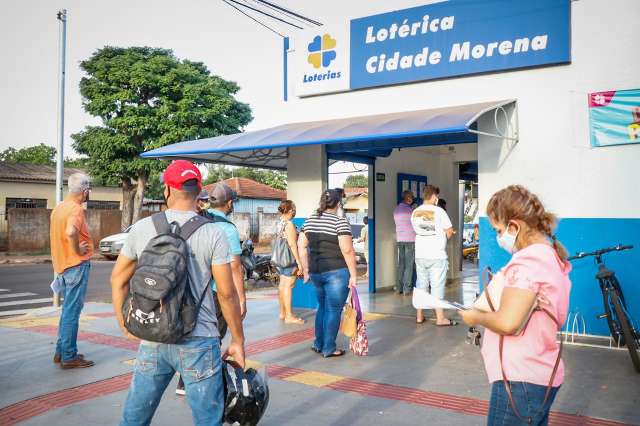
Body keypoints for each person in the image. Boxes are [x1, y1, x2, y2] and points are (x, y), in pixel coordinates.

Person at [111, 160, 245, 426]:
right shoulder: (214, 233)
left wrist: (124, 321)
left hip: (153, 336)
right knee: (208, 420)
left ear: (167, 191)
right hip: (200, 339)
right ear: (199, 194)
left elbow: (118, 279)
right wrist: (238, 339)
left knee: (134, 418)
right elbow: (227, 294)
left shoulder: (142, 228)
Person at [460, 185, 571, 425]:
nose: (499, 237)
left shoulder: (529, 262)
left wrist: (475, 317)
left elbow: (509, 323)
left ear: (514, 226)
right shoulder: (549, 255)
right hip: (539, 374)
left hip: (521, 380)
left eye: (498, 230)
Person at [175, 182, 247, 396]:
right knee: (213, 337)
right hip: (216, 293)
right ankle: (194, 383)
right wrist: (241, 298)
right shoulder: (227, 228)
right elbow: (235, 266)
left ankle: (184, 380)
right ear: (230, 203)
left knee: (193, 333)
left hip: (192, 290)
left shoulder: (197, 221)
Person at [298, 189, 357, 358]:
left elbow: (301, 246)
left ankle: (318, 343)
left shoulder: (310, 221)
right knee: (333, 310)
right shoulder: (340, 222)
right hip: (337, 273)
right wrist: (353, 275)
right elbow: (347, 250)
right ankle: (329, 348)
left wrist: (306, 269)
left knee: (322, 308)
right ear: (338, 204)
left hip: (316, 272)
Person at [50, 172, 95, 369]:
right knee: (72, 313)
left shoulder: (58, 208)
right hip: (76, 265)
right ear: (85, 192)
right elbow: (70, 232)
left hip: (62, 266)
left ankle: (61, 352)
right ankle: (69, 356)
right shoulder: (76, 210)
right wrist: (78, 250)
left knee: (66, 311)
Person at [411, 185, 457, 325]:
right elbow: (449, 231)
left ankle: (419, 316)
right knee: (437, 286)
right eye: (436, 196)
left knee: (421, 285)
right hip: (436, 255)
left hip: (420, 254)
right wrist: (447, 234)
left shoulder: (415, 212)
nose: (437, 198)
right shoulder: (439, 211)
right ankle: (440, 318)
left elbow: (418, 230)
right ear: (433, 196)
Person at [275, 200, 305, 324]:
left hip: (280, 258)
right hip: (289, 259)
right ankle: (289, 316)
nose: (295, 212)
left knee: (282, 285)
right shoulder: (289, 224)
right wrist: (299, 262)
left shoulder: (279, 223)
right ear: (291, 210)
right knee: (289, 285)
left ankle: (282, 312)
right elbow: (292, 244)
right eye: (294, 209)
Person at [393, 190, 416, 294]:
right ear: (408, 198)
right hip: (410, 240)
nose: (412, 198)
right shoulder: (410, 210)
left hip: (400, 239)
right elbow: (415, 223)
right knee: (409, 265)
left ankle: (399, 288)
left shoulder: (396, 209)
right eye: (411, 197)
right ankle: (407, 289)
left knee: (401, 264)